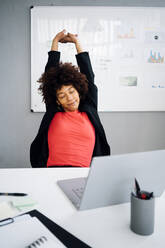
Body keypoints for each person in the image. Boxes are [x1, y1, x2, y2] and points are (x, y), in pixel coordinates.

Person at [30, 30, 110, 168]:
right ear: (57, 100)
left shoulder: (89, 109)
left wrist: (77, 43)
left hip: (84, 174)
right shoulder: (54, 111)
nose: (69, 98)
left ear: (78, 91)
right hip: (51, 173)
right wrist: (55, 41)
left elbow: (89, 76)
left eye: (72, 91)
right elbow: (50, 72)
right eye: (62, 95)